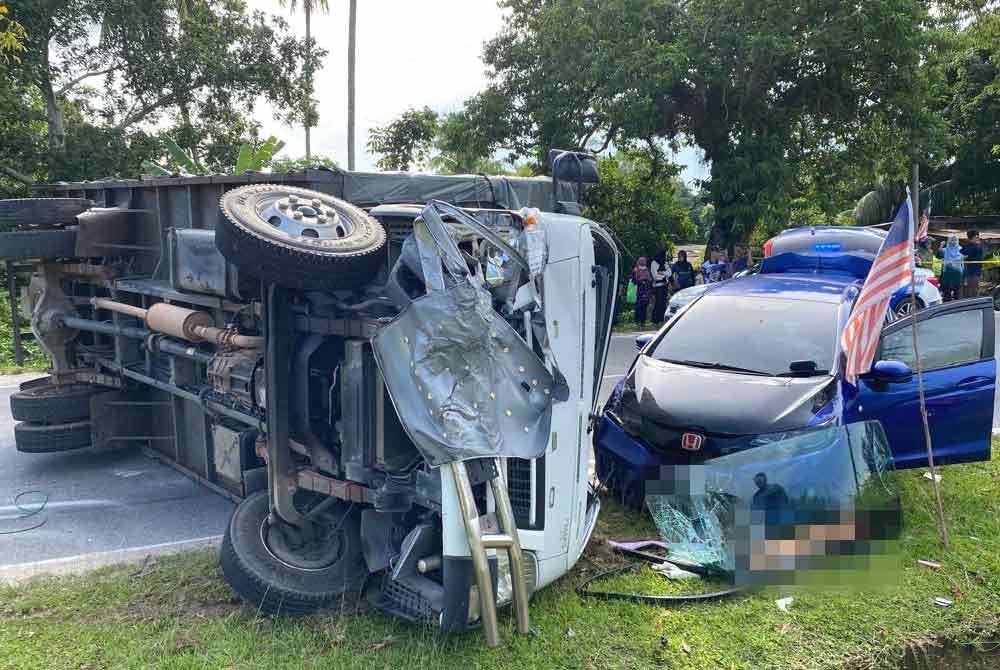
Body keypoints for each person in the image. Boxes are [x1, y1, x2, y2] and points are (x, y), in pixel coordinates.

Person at [649, 249, 672, 324]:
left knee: (663, 303)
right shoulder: (654, 263)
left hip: (665, 285)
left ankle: (662, 319)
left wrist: (662, 272)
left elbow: (670, 273)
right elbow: (655, 276)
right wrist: (663, 276)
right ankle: (655, 320)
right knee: (658, 303)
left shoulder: (665, 263)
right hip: (657, 286)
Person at [939, 234, 964, 302]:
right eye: (951, 240)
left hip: (957, 273)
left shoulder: (961, 249)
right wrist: (941, 246)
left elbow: (963, 263)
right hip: (947, 272)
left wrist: (964, 275)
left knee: (957, 291)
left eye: (955, 240)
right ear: (949, 241)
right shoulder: (945, 250)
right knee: (947, 291)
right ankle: (947, 306)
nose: (953, 241)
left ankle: (957, 306)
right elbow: (939, 254)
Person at [631, 256, 654, 328]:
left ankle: (638, 322)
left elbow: (634, 281)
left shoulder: (636, 270)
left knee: (638, 307)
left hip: (639, 291)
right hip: (646, 291)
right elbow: (651, 280)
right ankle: (642, 323)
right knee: (644, 307)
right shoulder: (647, 270)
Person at [964, 230, 984, 298]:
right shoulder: (969, 246)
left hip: (976, 270)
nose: (977, 238)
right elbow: (963, 252)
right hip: (969, 269)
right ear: (971, 238)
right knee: (970, 287)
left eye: (977, 237)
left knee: (975, 287)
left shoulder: (978, 246)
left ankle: (976, 301)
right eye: (976, 237)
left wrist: (975, 244)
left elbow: (977, 253)